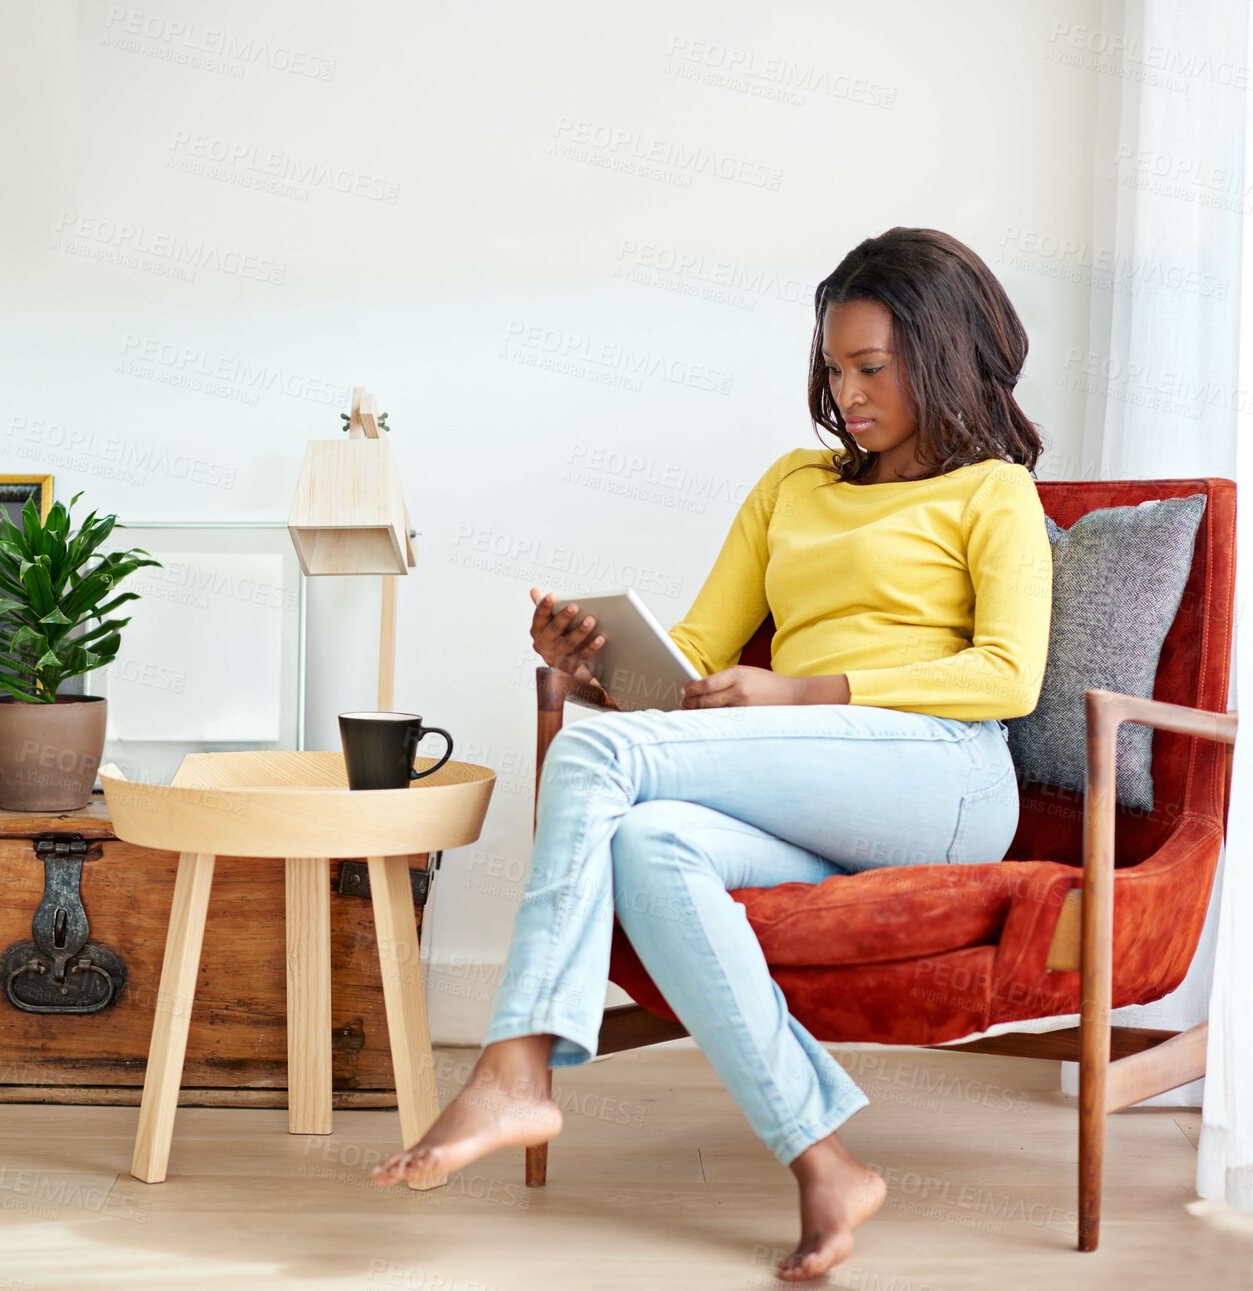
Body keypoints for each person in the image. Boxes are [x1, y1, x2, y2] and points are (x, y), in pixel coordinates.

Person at [370, 227, 1054, 1283]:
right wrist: (590, 668)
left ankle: (515, 1065)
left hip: (943, 778)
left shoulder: (992, 491)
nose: (847, 391)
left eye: (871, 367)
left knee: (600, 763)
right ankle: (824, 1160)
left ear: (944, 354)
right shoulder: (791, 485)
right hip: (813, 788)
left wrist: (801, 689)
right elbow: (693, 663)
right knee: (646, 841)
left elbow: (1006, 676)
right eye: (833, 367)